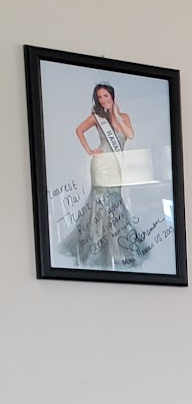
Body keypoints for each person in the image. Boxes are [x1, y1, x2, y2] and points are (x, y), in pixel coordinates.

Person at [64, 82, 154, 270]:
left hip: (116, 166)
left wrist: (117, 115)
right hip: (101, 165)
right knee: (100, 203)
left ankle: (117, 249)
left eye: (106, 95)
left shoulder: (124, 117)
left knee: (115, 202)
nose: (103, 100)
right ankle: (98, 250)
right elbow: (79, 130)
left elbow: (130, 134)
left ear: (112, 96)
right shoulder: (96, 117)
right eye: (99, 97)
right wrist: (89, 150)